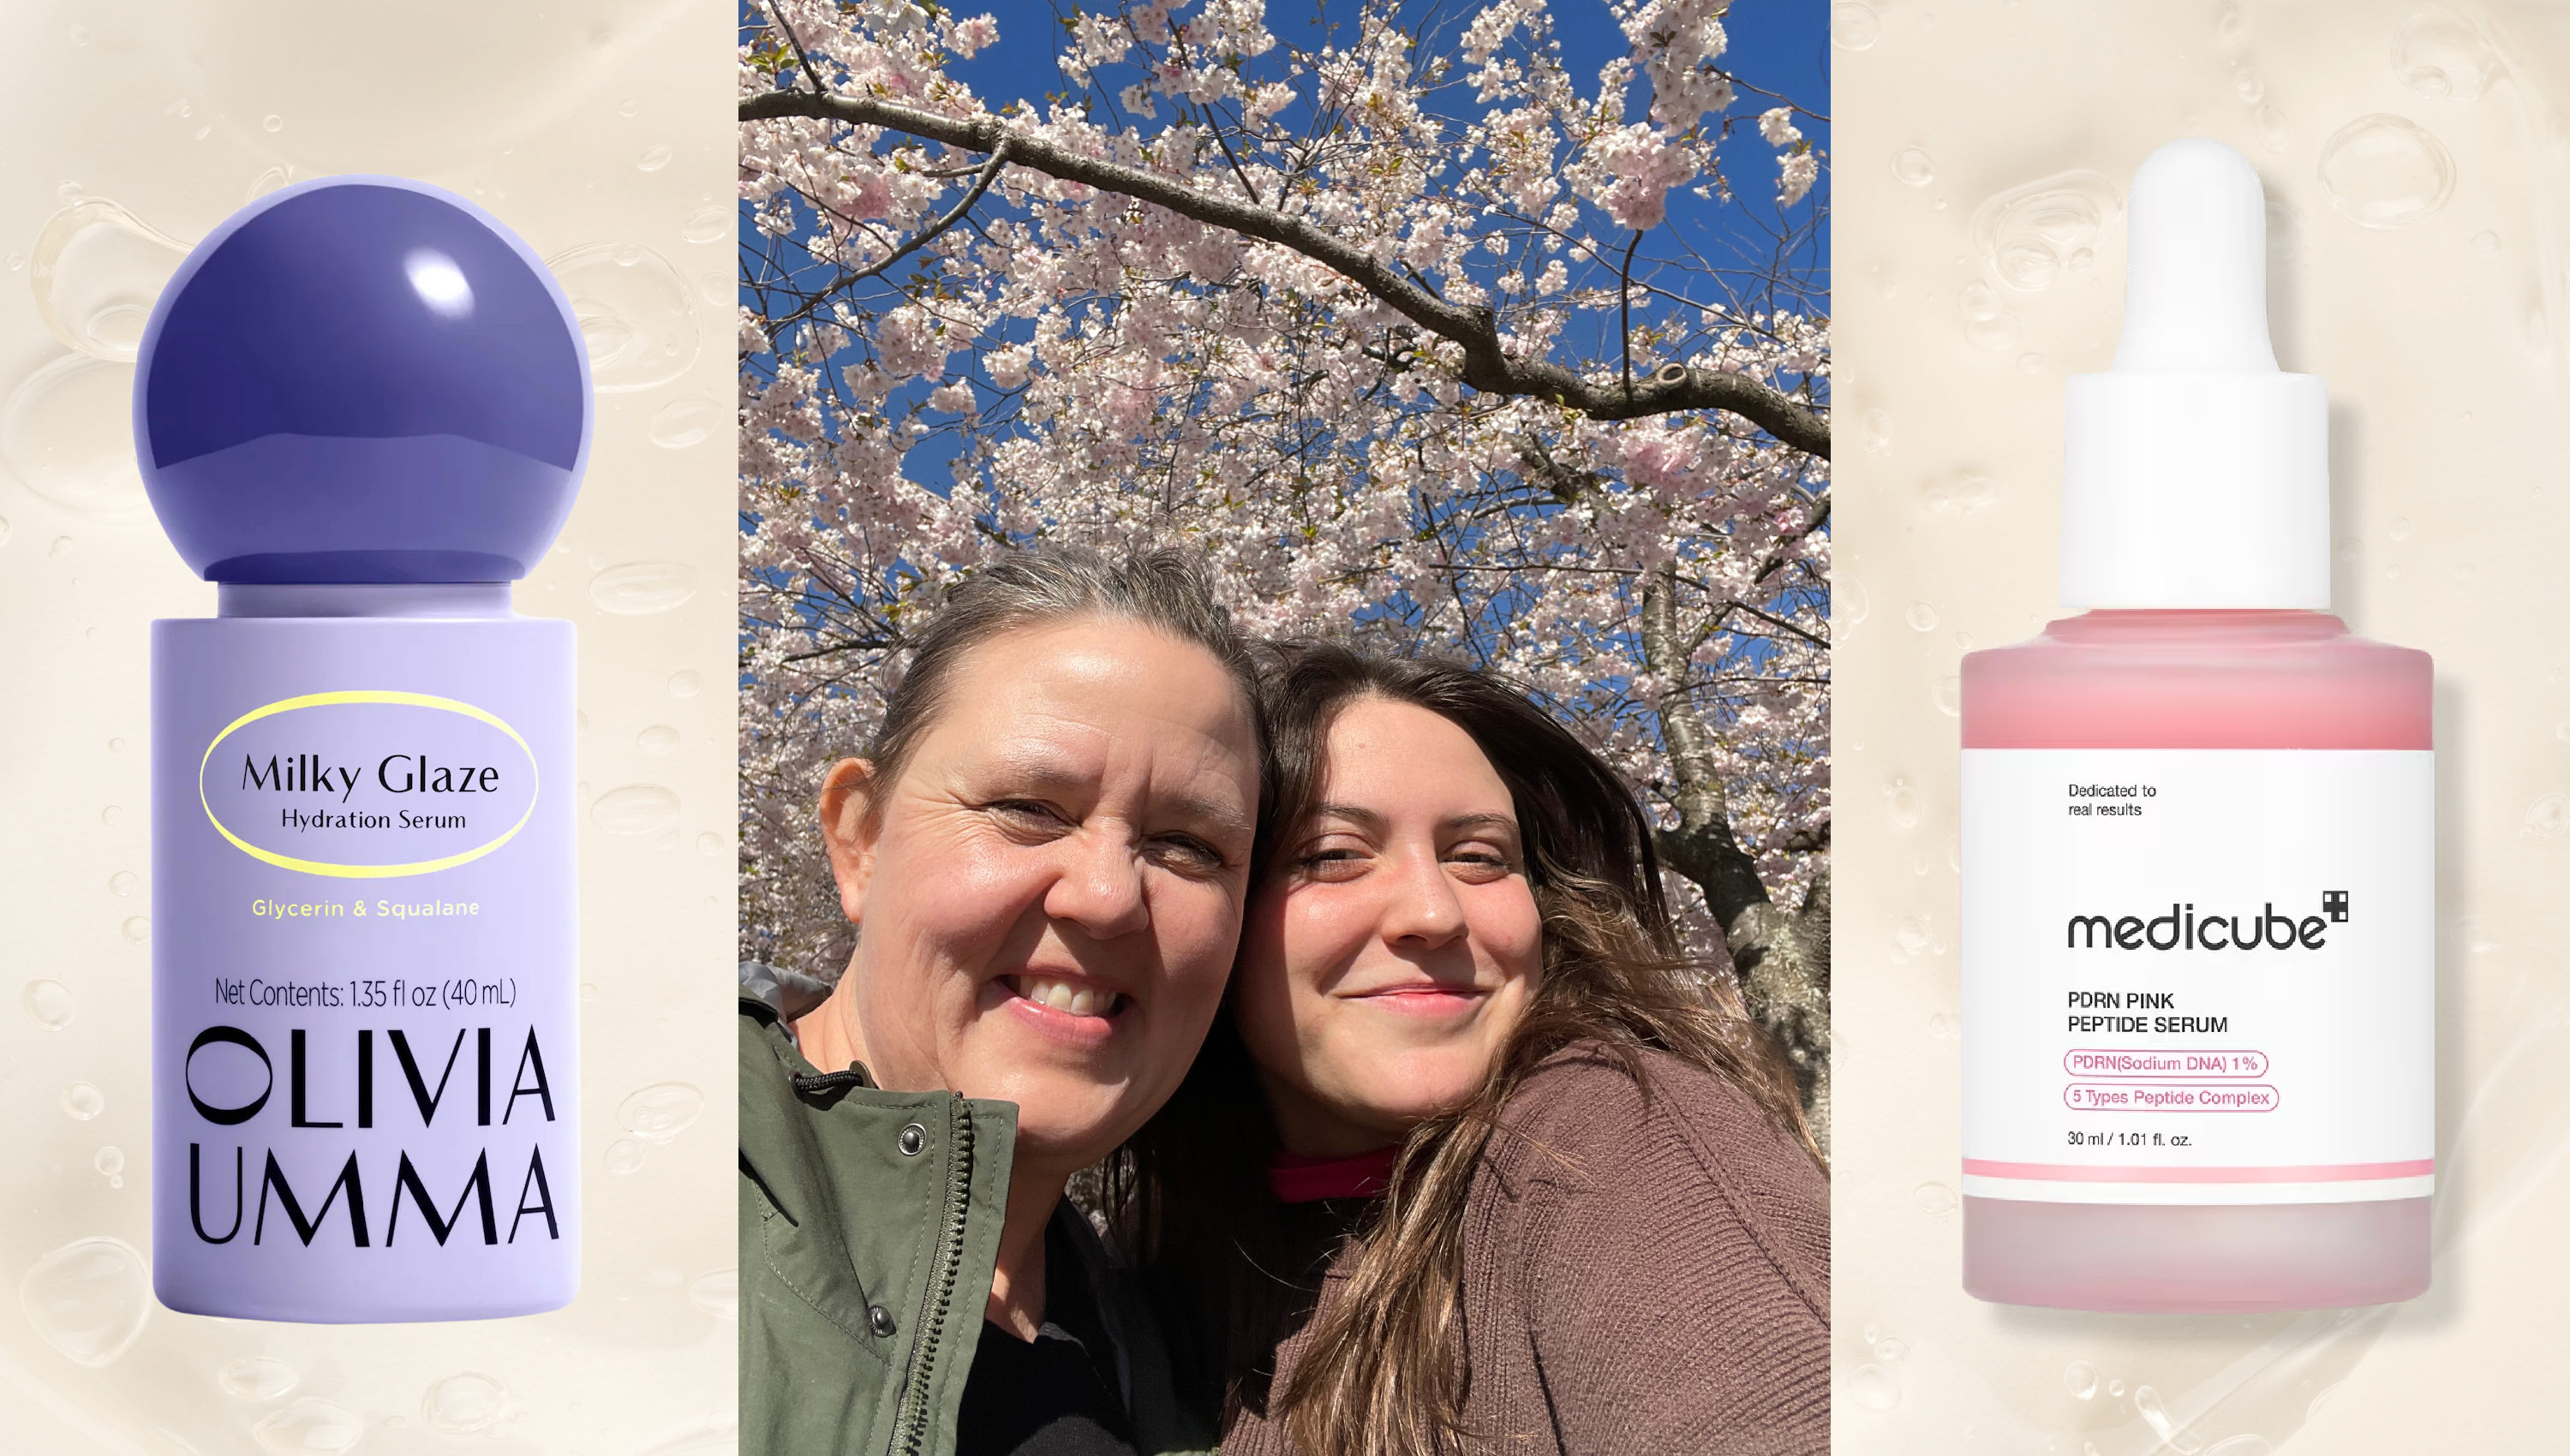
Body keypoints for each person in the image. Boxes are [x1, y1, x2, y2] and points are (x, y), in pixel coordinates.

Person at [1113, 642, 1827, 1455]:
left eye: (1480, 858)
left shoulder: (1616, 1143)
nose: (1434, 911)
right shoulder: (1142, 1260)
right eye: (1333, 855)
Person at [740, 546, 1259, 1456]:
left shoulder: (1159, 1347)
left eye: (1187, 844)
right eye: (1029, 806)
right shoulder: (602, 1192)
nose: (1105, 894)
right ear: (860, 840)